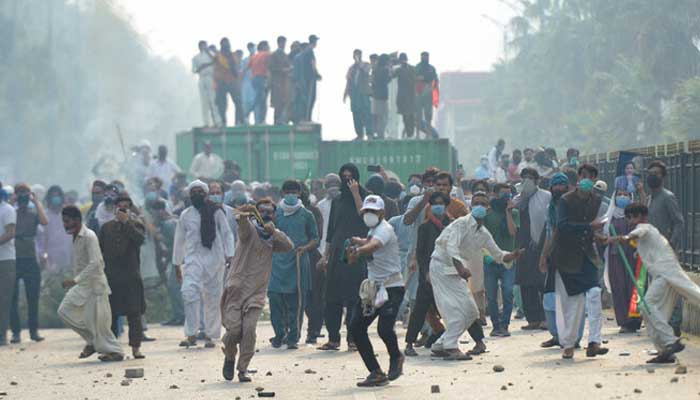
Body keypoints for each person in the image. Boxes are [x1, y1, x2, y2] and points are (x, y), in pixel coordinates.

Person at [428, 192, 523, 359]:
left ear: (487, 209)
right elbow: (451, 246)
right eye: (476, 202)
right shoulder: (461, 224)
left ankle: (440, 344)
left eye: (483, 203)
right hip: (442, 266)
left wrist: (513, 255)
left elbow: (498, 254)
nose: (479, 206)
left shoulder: (483, 233)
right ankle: (450, 346)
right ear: (471, 205)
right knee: (455, 311)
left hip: (456, 270)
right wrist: (461, 268)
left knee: (471, 311)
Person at [611, 203, 700, 364]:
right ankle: (665, 352)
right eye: (628, 218)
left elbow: (634, 235)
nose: (630, 221)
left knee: (646, 306)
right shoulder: (649, 234)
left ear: (641, 217)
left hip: (664, 275)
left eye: (632, 217)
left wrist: (616, 239)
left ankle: (670, 341)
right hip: (663, 276)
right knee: (650, 312)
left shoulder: (646, 227)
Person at [221, 201, 294, 382]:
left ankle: (242, 369)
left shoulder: (272, 238)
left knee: (250, 330)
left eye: (270, 212)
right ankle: (230, 356)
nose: (266, 214)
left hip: (256, 292)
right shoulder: (249, 231)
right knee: (233, 332)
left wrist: (273, 232)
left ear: (274, 215)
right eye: (262, 211)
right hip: (236, 289)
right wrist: (245, 215)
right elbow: (243, 227)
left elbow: (289, 246)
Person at [551, 164, 608, 359]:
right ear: (578, 179)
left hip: (587, 256)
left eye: (590, 177)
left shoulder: (597, 201)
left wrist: (597, 234)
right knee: (572, 304)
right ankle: (568, 343)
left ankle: (594, 341)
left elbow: (595, 227)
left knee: (594, 293)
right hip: (567, 257)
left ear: (594, 181)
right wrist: (588, 227)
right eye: (583, 176)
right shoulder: (565, 201)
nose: (586, 179)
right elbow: (562, 226)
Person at [347, 195, 405, 387]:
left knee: (384, 329)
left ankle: (396, 357)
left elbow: (375, 245)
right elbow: (367, 244)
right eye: (366, 211)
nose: (369, 215)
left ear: (382, 213)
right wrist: (356, 245)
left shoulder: (385, 229)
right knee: (356, 327)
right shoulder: (372, 230)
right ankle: (376, 372)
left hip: (391, 287)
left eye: (373, 211)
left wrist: (360, 248)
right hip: (372, 288)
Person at [173, 180, 235, 348]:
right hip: (193, 260)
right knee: (188, 293)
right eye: (193, 192)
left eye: (200, 191)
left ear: (206, 194)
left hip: (215, 260)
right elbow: (179, 240)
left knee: (213, 298)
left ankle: (210, 335)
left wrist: (230, 255)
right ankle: (191, 333)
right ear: (190, 195)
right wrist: (176, 264)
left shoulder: (217, 212)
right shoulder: (186, 214)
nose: (197, 194)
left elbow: (227, 233)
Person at [57, 206, 124, 362]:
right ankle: (93, 342)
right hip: (83, 286)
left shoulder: (89, 236)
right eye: (64, 222)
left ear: (77, 220)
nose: (65, 225)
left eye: (67, 221)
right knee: (64, 311)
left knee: (100, 324)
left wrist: (75, 280)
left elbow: (96, 263)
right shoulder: (75, 237)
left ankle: (115, 351)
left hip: (95, 286)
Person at [317, 163, 367, 351]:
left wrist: (355, 193)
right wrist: (326, 255)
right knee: (332, 297)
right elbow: (331, 230)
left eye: (351, 177)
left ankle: (353, 339)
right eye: (344, 177)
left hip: (355, 251)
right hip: (337, 251)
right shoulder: (337, 200)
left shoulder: (365, 195)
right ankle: (333, 338)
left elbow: (364, 217)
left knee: (355, 297)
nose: (348, 180)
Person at [268, 180, 319, 349]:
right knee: (275, 299)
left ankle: (293, 337)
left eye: (294, 191)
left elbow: (315, 239)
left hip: (297, 261)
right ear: (283, 193)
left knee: (296, 302)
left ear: (299, 193)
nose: (291, 194)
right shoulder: (276, 213)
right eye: (288, 191)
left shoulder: (307, 214)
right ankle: (279, 333)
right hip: (277, 262)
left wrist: (305, 248)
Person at [539, 172, 585, 348]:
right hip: (554, 258)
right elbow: (549, 234)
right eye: (555, 185)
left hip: (573, 258)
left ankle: (575, 338)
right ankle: (557, 335)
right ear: (551, 188)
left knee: (575, 299)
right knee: (551, 298)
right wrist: (543, 256)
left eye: (562, 185)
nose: (558, 188)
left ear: (568, 187)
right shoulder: (549, 209)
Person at [98, 194, 146, 359]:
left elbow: (140, 240)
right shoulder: (106, 228)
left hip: (131, 276)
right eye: (120, 206)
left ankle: (136, 348)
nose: (122, 209)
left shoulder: (137, 225)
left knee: (135, 314)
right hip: (112, 277)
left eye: (126, 207)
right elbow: (100, 250)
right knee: (110, 315)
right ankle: (112, 349)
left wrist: (126, 222)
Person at [404, 191, 450, 356]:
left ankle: (473, 341)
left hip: (447, 276)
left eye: (441, 203)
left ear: (446, 206)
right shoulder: (424, 227)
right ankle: (409, 343)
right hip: (429, 277)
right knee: (419, 310)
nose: (439, 206)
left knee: (455, 308)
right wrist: (426, 274)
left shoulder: (452, 226)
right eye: (435, 203)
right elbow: (422, 255)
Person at [645, 160, 685, 337]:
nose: (653, 176)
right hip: (652, 253)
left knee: (672, 287)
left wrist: (671, 244)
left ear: (663, 177)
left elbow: (679, 222)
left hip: (666, 251)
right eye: (651, 172)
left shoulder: (667, 197)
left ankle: (674, 325)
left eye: (657, 173)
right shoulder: (650, 198)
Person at [9, 184, 48, 344]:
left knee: (33, 297)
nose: (23, 196)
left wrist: (36, 201)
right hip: (15, 258)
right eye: (20, 193)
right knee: (13, 297)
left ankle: (34, 331)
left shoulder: (33, 213)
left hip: (31, 258)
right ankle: (16, 332)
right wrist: (12, 202)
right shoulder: (12, 212)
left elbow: (44, 221)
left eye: (25, 193)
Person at [514, 168, 550, 331]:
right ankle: (532, 318)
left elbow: (547, 220)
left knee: (541, 281)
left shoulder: (545, 196)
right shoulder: (517, 198)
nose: (527, 181)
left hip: (541, 242)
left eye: (530, 178)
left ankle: (545, 317)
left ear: (537, 180)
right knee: (525, 282)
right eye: (524, 178)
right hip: (523, 244)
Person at [603, 188, 641, 333]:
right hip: (615, 257)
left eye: (626, 194)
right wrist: (608, 239)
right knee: (619, 288)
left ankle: (634, 320)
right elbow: (603, 236)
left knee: (634, 288)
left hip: (632, 257)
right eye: (619, 194)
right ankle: (624, 322)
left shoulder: (633, 216)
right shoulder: (609, 217)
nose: (623, 197)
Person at [483, 184, 519, 337]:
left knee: (508, 291)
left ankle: (505, 324)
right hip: (490, 260)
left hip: (508, 259)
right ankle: (495, 325)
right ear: (495, 195)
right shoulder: (487, 214)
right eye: (503, 195)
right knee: (491, 295)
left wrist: (508, 212)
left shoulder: (514, 213)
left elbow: (512, 232)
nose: (506, 197)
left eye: (508, 195)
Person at [151, 200, 183, 326]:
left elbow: (177, 245)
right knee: (174, 287)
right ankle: (178, 315)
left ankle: (181, 316)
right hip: (177, 260)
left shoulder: (169, 224)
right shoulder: (168, 222)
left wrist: (169, 258)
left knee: (174, 287)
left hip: (179, 260)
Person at [37, 185, 73, 275]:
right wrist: (42, 255)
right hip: (50, 259)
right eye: (53, 196)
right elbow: (40, 238)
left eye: (57, 196)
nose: (55, 198)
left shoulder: (69, 214)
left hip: (67, 256)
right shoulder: (44, 215)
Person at [0, 186, 17, 346]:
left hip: (5, 259)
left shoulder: (7, 209)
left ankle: (1, 335)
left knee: (3, 298)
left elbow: (10, 232)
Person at [214, 38, 244, 127]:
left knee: (238, 102)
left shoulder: (233, 56)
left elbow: (237, 69)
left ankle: (240, 121)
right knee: (222, 104)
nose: (226, 46)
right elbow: (215, 70)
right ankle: (223, 122)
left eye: (227, 44)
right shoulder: (217, 57)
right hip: (221, 82)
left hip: (232, 81)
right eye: (224, 44)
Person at [344, 49, 372, 140]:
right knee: (356, 113)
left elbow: (366, 72)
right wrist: (345, 93)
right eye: (355, 55)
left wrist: (359, 64)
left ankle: (369, 133)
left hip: (364, 93)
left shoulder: (366, 65)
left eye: (358, 55)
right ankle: (359, 134)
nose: (356, 56)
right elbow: (348, 81)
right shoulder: (351, 68)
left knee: (366, 113)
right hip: (354, 95)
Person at [192, 40, 221, 127]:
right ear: (199, 47)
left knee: (213, 100)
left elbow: (217, 61)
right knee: (204, 102)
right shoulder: (196, 57)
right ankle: (206, 123)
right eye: (202, 46)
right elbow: (194, 70)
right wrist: (203, 66)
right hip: (202, 78)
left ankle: (217, 121)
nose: (204, 47)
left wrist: (209, 53)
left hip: (210, 78)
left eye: (205, 46)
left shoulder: (211, 54)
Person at [269, 36, 292, 125]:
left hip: (284, 81)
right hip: (276, 81)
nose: (284, 45)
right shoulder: (274, 55)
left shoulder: (285, 55)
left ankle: (281, 120)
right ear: (278, 43)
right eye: (282, 43)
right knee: (277, 102)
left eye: (284, 43)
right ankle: (276, 121)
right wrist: (283, 70)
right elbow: (271, 68)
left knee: (283, 101)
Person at [247, 41, 271, 125]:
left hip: (254, 79)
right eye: (268, 46)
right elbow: (268, 66)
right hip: (261, 78)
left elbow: (247, 68)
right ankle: (246, 114)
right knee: (260, 100)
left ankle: (261, 120)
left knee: (261, 100)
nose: (269, 47)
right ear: (264, 47)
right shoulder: (266, 54)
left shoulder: (254, 56)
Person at [415, 52, 439, 136]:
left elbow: (435, 80)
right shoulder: (417, 67)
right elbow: (413, 78)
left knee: (428, 115)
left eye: (426, 57)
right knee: (418, 115)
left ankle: (427, 134)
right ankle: (417, 134)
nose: (425, 58)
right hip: (418, 93)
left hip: (428, 92)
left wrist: (425, 79)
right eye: (423, 57)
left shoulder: (431, 68)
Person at [392, 53, 416, 138]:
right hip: (403, 97)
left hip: (410, 96)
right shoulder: (399, 70)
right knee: (406, 117)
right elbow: (390, 76)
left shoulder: (412, 69)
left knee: (411, 116)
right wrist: (392, 64)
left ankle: (410, 134)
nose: (403, 62)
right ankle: (410, 134)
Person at [371, 54, 391, 138]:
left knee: (376, 116)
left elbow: (373, 82)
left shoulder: (375, 70)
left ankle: (375, 133)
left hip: (375, 95)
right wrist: (390, 73)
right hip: (383, 96)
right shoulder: (385, 70)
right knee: (383, 116)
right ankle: (381, 135)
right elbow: (386, 81)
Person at [240, 42, 257, 124]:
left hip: (256, 84)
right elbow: (241, 73)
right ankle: (246, 121)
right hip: (246, 84)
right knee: (246, 104)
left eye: (253, 47)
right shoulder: (245, 61)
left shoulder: (258, 58)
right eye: (250, 47)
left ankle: (257, 121)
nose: (252, 49)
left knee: (256, 103)